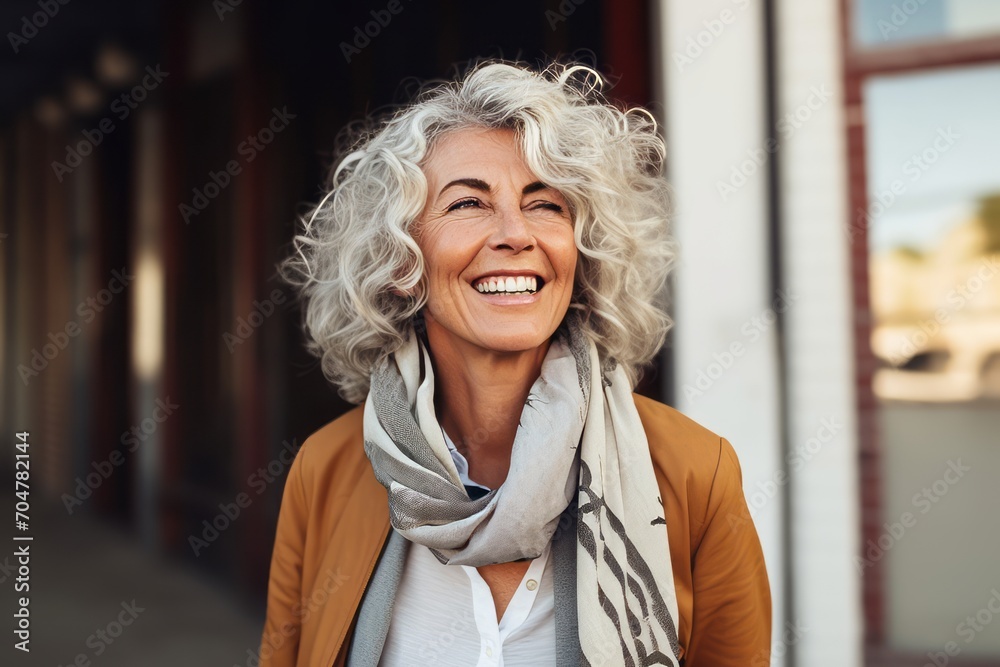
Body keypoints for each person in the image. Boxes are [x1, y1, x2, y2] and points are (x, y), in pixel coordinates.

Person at [260, 61, 771, 667]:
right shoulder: (324, 471)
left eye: (546, 205)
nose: (515, 234)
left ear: (582, 254)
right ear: (401, 262)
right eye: (468, 203)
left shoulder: (694, 473)